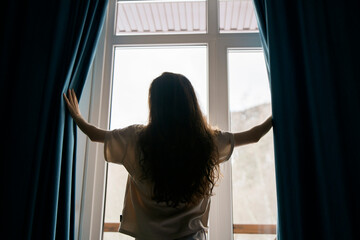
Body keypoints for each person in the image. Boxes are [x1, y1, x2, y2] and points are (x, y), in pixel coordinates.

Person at [64, 72, 273, 240]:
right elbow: (254, 135)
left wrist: (77, 117)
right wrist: (278, 112)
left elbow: (94, 135)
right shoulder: (206, 142)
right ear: (190, 104)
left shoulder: (136, 139)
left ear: (155, 105)